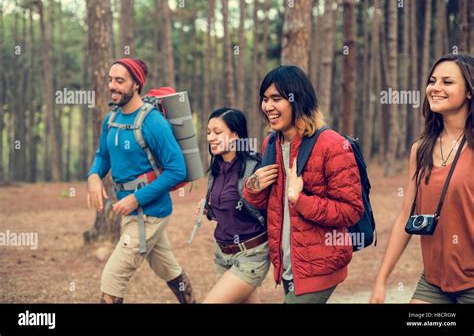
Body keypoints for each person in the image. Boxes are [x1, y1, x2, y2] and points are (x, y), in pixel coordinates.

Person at [243, 65, 364, 303]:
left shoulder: (332, 145)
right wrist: (252, 189)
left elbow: (352, 210)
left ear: (297, 100)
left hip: (320, 267)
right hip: (289, 265)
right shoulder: (272, 143)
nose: (267, 106)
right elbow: (269, 205)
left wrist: (301, 201)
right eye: (265, 99)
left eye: (276, 99)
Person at [87, 58, 195, 304]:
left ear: (136, 84)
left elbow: (176, 170)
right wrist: (94, 175)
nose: (112, 86)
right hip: (133, 212)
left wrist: (136, 198)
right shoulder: (111, 119)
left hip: (149, 213)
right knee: (168, 269)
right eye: (110, 80)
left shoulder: (152, 122)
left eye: (120, 81)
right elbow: (103, 155)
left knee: (112, 280)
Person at [370, 53, 474, 304]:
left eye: (447, 82)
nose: (435, 88)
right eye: (432, 81)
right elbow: (407, 214)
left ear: (470, 91)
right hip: (434, 282)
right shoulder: (421, 149)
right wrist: (381, 280)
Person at [199, 108, 270, 303]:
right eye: (208, 132)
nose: (211, 137)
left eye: (218, 132)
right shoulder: (216, 169)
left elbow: (268, 209)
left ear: (235, 135)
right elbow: (226, 210)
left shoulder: (255, 168)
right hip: (223, 255)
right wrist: (208, 209)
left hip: (250, 255)